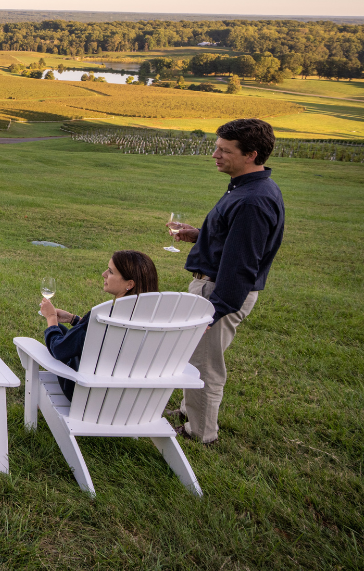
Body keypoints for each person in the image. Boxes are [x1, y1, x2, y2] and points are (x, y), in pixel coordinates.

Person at [167, 118, 285, 444]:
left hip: (220, 291)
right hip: (214, 288)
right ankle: (192, 411)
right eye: (217, 147)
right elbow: (234, 240)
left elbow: (243, 265)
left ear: (251, 154)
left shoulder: (252, 201)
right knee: (195, 356)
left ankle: (200, 433)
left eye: (224, 150)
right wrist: (198, 235)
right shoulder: (246, 187)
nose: (215, 155)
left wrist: (214, 310)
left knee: (206, 365)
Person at [40, 250, 160, 400]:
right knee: (65, 331)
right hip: (133, 398)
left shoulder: (103, 317)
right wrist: (74, 319)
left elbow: (59, 349)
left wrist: (51, 318)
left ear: (130, 284)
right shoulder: (154, 320)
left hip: (88, 396)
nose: (104, 274)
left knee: (59, 334)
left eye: (110, 272)